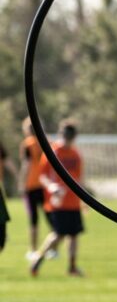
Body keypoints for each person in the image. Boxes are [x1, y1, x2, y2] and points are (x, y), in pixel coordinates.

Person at [31, 119, 85, 277]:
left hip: (73, 201)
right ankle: (38, 259)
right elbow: (43, 176)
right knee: (58, 234)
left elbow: (79, 178)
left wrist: (83, 200)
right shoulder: (53, 152)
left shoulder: (75, 153)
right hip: (59, 201)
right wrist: (51, 187)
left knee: (74, 234)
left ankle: (72, 266)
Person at [19, 116, 48, 258]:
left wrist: (21, 183)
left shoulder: (27, 144)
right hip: (45, 184)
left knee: (33, 219)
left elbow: (26, 165)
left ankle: (33, 249)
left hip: (31, 185)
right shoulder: (45, 142)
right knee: (50, 217)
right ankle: (51, 249)